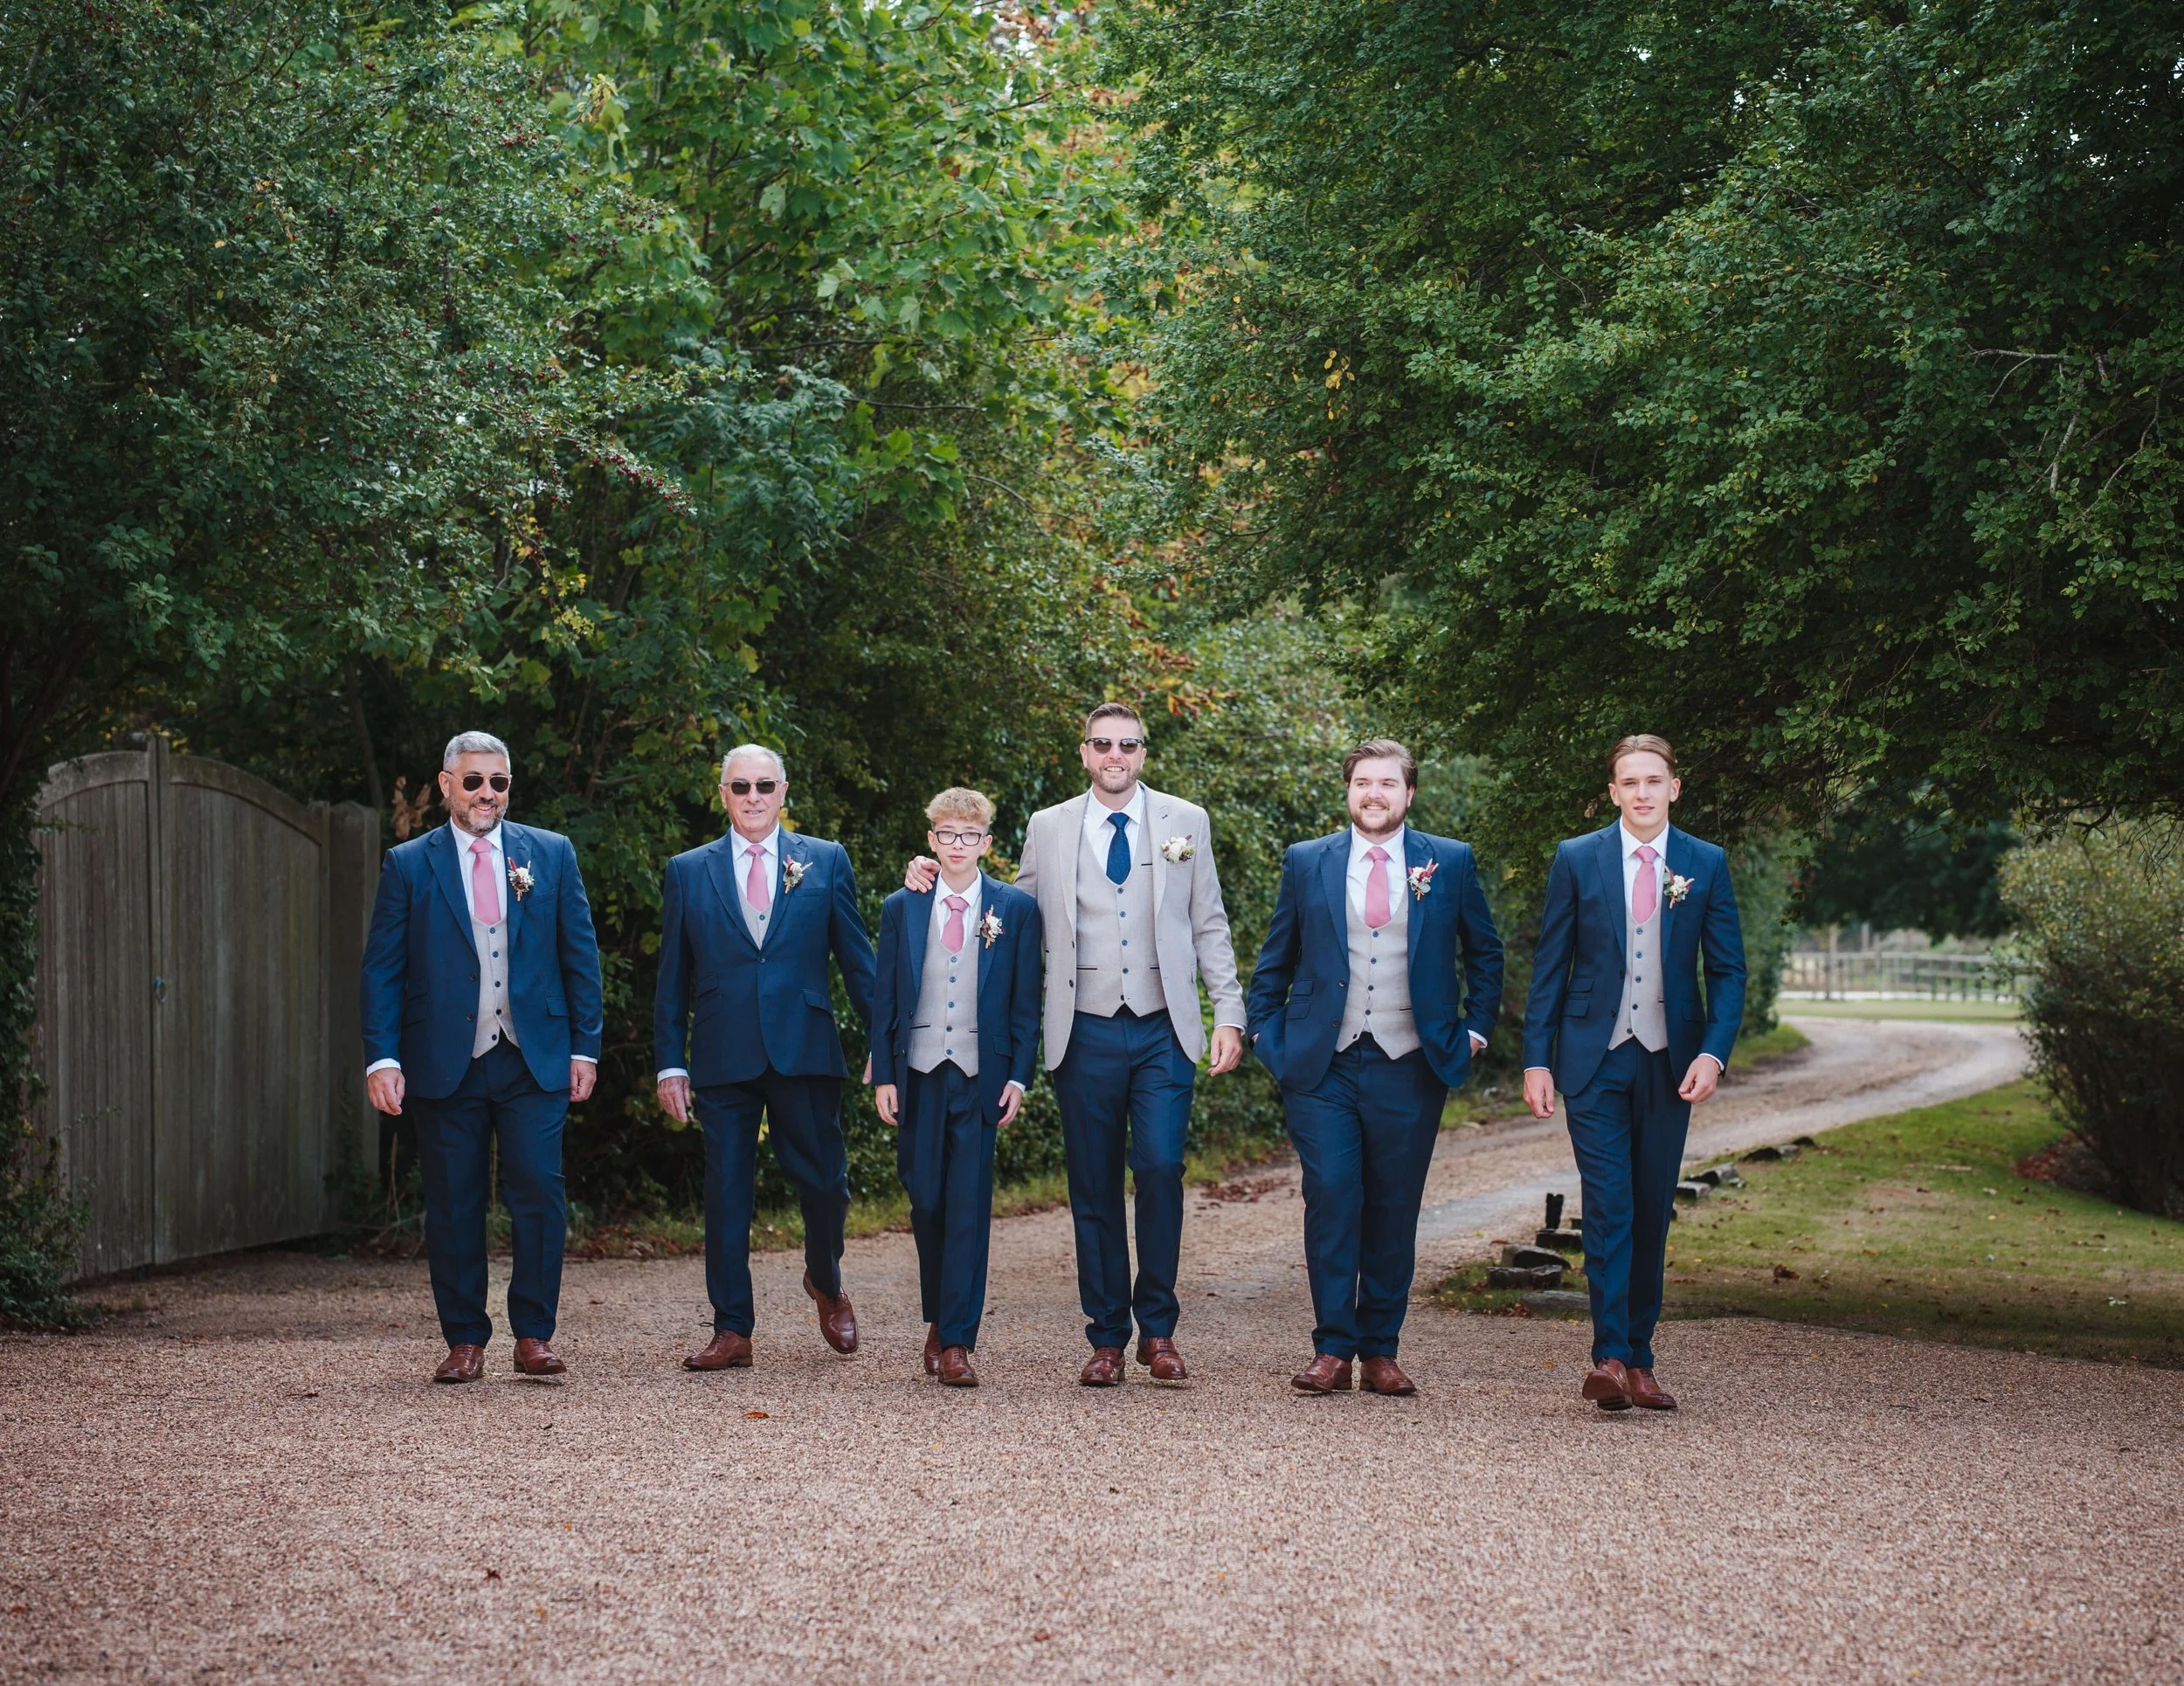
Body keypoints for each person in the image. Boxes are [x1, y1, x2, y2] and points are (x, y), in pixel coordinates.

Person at [907, 702, 1247, 1385]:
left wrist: (1230, 1012)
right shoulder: (1049, 827)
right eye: (1102, 744)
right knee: (1092, 1186)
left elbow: (1208, 922)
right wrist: (930, 880)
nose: (1114, 755)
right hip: (1081, 1028)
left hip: (1163, 1026)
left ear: (1144, 753)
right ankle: (1107, 1338)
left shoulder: (1187, 821)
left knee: (1157, 1168)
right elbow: (1006, 915)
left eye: (1128, 744)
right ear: (1084, 753)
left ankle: (1159, 1331)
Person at [1247, 740, 1503, 1395]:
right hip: (1322, 1064)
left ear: (1409, 794)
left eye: (1387, 783)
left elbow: (1486, 953)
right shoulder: (1309, 861)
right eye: (1363, 782)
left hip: (1411, 1061)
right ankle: (1332, 1347)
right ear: (1349, 791)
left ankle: (1380, 1350)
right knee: (1331, 1195)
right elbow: (1276, 956)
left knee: (1393, 1206)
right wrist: (1266, 1036)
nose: (1374, 794)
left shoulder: (1449, 861)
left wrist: (1472, 1031)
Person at [361, 730, 603, 1383]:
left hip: (534, 1056)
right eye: (473, 781)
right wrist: (382, 1058)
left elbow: (580, 956)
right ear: (446, 786)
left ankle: (534, 1334)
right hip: (446, 1058)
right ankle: (465, 1338)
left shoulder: (549, 854)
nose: (487, 793)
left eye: (498, 782)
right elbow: (382, 970)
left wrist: (586, 1046)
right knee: (453, 1201)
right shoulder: (409, 864)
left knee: (538, 1195)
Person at [1523, 734, 1746, 1413]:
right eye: (1630, 782)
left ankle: (1642, 1357)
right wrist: (1537, 1057)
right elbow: (1550, 965)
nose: (1643, 792)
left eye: (1654, 780)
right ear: (1613, 792)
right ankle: (1611, 1359)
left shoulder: (1705, 863)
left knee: (1651, 1210)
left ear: (1674, 788)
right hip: (1593, 1059)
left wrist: (1713, 1051)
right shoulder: (1578, 858)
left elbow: (1730, 971)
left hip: (1672, 1060)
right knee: (1610, 1205)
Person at [654, 745, 876, 1371]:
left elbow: (858, 964)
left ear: (784, 792)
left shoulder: (825, 861)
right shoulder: (688, 871)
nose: (753, 796)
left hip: (804, 1048)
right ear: (723, 794)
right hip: (723, 1053)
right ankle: (733, 1330)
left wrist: (888, 1046)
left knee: (826, 1185)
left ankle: (825, 1281)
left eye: (765, 786)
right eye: (741, 786)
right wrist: (671, 1062)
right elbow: (672, 978)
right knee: (727, 1192)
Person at [869, 788, 1041, 1387]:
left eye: (970, 836)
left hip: (981, 1074)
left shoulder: (1014, 910)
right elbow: (884, 995)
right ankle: (941, 1317)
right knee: (926, 1200)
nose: (958, 845)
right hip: (917, 1070)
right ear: (932, 841)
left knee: (968, 1205)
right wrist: (883, 1074)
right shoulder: (903, 905)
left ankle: (957, 1340)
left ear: (987, 843)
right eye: (947, 835)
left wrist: (1020, 1073)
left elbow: (1026, 1001)